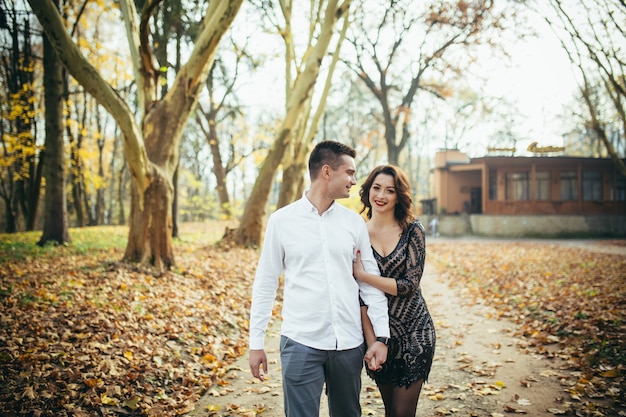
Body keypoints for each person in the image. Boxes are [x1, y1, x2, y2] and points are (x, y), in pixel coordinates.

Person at [248, 140, 390, 417]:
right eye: (349, 172)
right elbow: (265, 282)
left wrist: (380, 337)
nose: (354, 180)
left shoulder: (354, 224)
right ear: (327, 171)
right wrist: (256, 343)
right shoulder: (282, 221)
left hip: (348, 343)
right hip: (301, 342)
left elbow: (369, 283)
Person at [353, 165, 436, 417]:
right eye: (376, 188)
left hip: (415, 330)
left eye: (390, 190)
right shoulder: (357, 234)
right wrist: (374, 343)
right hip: (380, 333)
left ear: (398, 196)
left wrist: (365, 276)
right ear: (368, 191)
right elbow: (360, 298)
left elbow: (409, 285)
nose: (381, 195)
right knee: (390, 411)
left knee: (402, 413)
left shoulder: (413, 230)